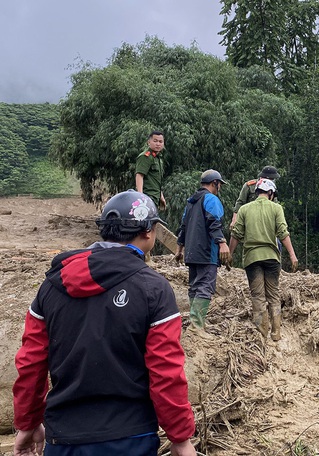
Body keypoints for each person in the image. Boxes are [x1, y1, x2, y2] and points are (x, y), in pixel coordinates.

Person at [12, 190, 196, 456]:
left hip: (63, 439)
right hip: (131, 437)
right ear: (148, 231)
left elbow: (30, 364)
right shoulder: (154, 289)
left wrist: (27, 424)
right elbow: (166, 372)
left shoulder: (50, 287)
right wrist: (180, 438)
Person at [229, 178, 298, 341]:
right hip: (272, 259)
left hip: (252, 259)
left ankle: (261, 333)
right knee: (273, 295)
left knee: (258, 296)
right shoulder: (276, 208)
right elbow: (283, 233)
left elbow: (236, 234)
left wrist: (229, 254)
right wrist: (292, 255)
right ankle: (276, 333)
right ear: (271, 193)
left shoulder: (244, 209)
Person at [175, 170, 232, 334]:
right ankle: (197, 326)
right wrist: (222, 243)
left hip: (191, 253)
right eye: (219, 184)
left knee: (194, 287)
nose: (219, 187)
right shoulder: (211, 199)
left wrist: (179, 250)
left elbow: (183, 227)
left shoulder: (191, 202)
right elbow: (214, 223)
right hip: (207, 252)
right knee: (205, 286)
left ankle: (196, 323)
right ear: (215, 183)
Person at [229, 165, 280, 230]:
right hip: (249, 220)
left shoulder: (272, 188)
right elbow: (240, 202)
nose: (273, 180)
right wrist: (234, 219)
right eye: (272, 178)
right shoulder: (250, 186)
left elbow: (275, 205)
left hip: (266, 221)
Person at [135, 130, 167, 210]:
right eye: (155, 141)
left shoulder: (158, 158)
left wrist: (161, 196)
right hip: (147, 196)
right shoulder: (145, 156)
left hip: (155, 197)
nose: (158, 144)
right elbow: (139, 175)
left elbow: (155, 180)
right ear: (149, 142)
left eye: (160, 141)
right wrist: (140, 196)